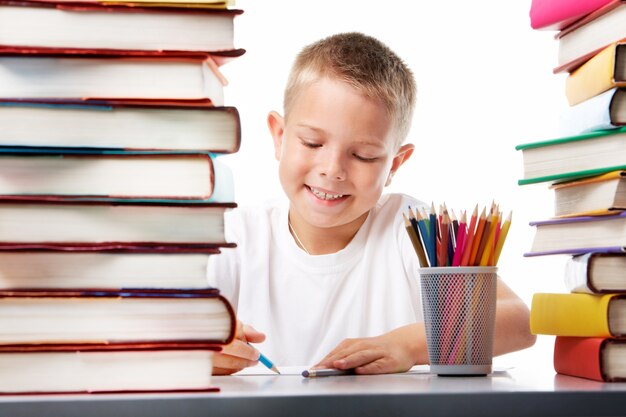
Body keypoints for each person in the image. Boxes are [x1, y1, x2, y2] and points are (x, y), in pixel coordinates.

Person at [207, 32, 535, 375]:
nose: (332, 170)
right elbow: (156, 328)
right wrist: (195, 347)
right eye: (312, 143)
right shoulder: (235, 237)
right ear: (279, 136)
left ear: (394, 164)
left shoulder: (414, 230)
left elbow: (519, 321)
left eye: (363, 156)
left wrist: (407, 344)